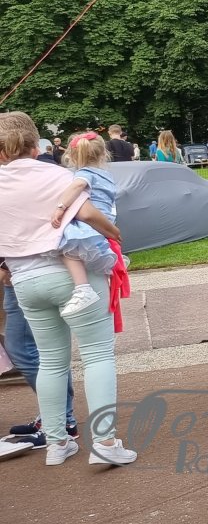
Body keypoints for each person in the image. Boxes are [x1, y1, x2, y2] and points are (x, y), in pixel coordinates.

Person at [0, 112, 136, 465]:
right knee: (97, 356)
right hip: (73, 272)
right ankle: (105, 442)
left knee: (50, 361)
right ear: (36, 144)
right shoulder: (59, 176)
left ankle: (58, 443)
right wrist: (114, 233)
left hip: (25, 280)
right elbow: (87, 214)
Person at [47, 133, 121, 319]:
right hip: (106, 218)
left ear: (72, 156)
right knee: (91, 250)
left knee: (66, 248)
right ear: (103, 153)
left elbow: (77, 186)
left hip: (89, 220)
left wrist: (61, 207)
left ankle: (82, 288)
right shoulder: (106, 175)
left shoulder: (83, 174)